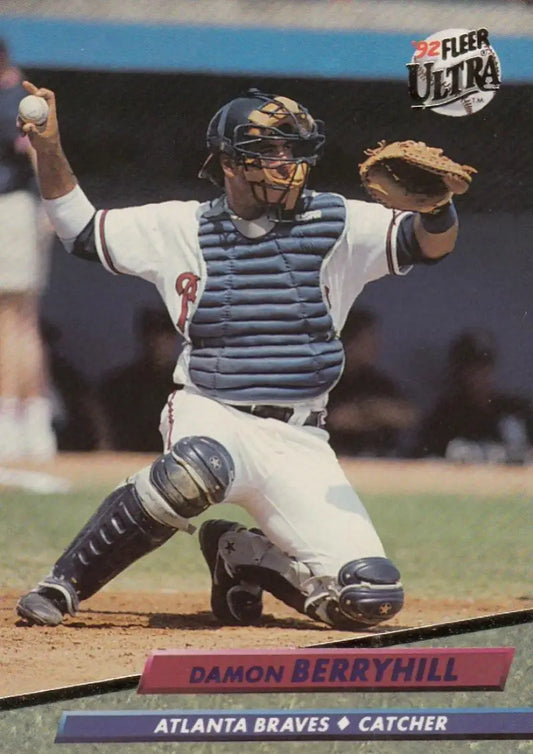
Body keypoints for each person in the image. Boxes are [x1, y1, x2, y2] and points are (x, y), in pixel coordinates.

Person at [16, 84, 463, 630]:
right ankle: (63, 585)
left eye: (294, 152)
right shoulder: (181, 226)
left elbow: (431, 245)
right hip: (212, 411)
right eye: (271, 152)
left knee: (370, 599)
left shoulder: (338, 220)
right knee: (195, 471)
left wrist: (438, 209)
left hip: (301, 439)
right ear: (228, 161)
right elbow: (79, 229)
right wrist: (49, 148)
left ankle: (239, 555)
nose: (288, 166)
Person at [0, 40, 56, 461]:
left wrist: (48, 205)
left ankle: (18, 424)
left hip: (13, 209)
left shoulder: (17, 98)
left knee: (14, 318)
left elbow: (38, 153)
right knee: (18, 319)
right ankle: (31, 424)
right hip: (13, 211)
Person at [413, 329, 533, 464]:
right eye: (472, 368)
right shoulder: (446, 415)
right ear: (459, 371)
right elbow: (426, 461)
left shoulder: (513, 409)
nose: (480, 375)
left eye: (485, 366)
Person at [327, 307, 417, 457]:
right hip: (338, 458)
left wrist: (370, 411)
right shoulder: (328, 380)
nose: (374, 347)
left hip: (380, 461)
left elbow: (408, 416)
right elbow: (337, 419)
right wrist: (369, 414)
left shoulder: (377, 381)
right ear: (349, 341)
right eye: (365, 341)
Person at [98, 307, 181, 451]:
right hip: (132, 457)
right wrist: (104, 440)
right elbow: (95, 405)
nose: (159, 344)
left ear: (173, 339)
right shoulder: (125, 382)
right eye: (154, 337)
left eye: (166, 337)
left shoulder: (184, 381)